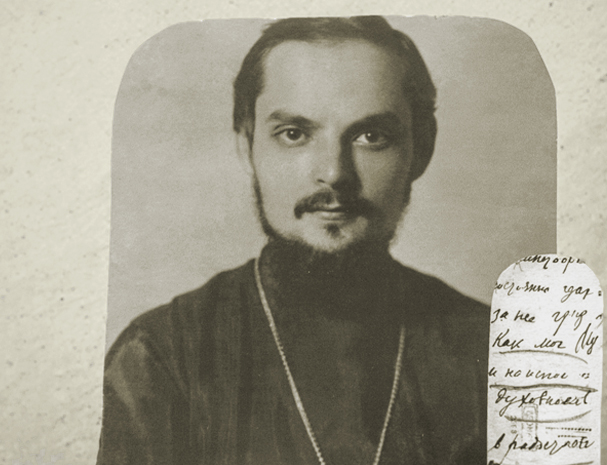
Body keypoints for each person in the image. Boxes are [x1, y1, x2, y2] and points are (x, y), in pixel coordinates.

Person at [97, 16, 489, 465]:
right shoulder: (161, 358)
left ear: (422, 149)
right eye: (295, 135)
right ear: (247, 147)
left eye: (371, 136)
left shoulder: (494, 349)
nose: (334, 172)